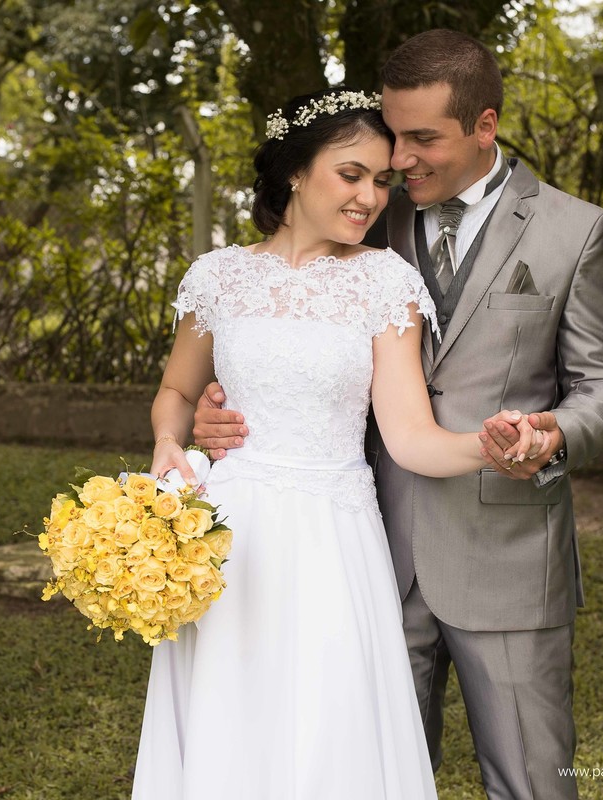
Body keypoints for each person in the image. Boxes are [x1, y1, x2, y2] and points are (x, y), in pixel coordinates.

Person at [192, 30, 603, 800]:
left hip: (506, 552)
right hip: (363, 558)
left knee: (530, 781)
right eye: (394, 136)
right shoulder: (365, 215)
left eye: (423, 138)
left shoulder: (575, 231)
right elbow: (284, 331)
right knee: (364, 775)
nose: (399, 161)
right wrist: (216, 405)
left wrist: (552, 433)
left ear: (484, 126)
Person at [132, 87, 543, 800]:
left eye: (382, 181)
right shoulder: (218, 278)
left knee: (330, 724)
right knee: (229, 719)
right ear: (295, 171)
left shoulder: (385, 284)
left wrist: (490, 448)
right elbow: (175, 392)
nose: (370, 198)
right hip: (225, 534)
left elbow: (411, 438)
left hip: (331, 536)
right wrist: (170, 441)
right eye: (351, 175)